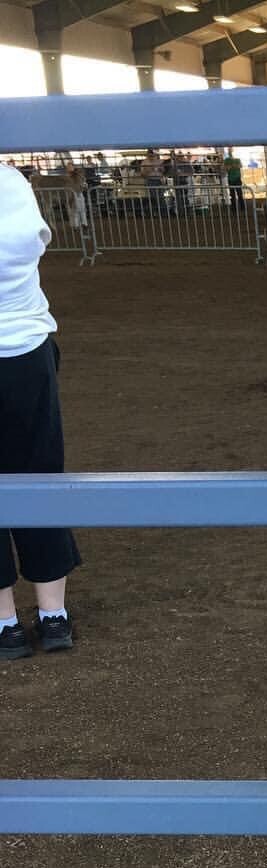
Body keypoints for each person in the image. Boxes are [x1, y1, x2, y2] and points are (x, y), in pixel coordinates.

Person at [0, 162, 80, 659]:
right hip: (25, 348)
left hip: (25, 343)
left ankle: (4, 623)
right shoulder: (10, 181)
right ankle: (53, 615)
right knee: (40, 473)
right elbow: (36, 238)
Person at [223, 147, 244, 214]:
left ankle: (242, 208)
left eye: (230, 150)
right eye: (229, 150)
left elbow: (240, 166)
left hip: (236, 178)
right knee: (233, 195)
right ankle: (234, 209)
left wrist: (231, 166)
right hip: (231, 178)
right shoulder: (227, 160)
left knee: (239, 194)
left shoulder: (236, 159)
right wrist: (233, 166)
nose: (230, 151)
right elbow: (225, 168)